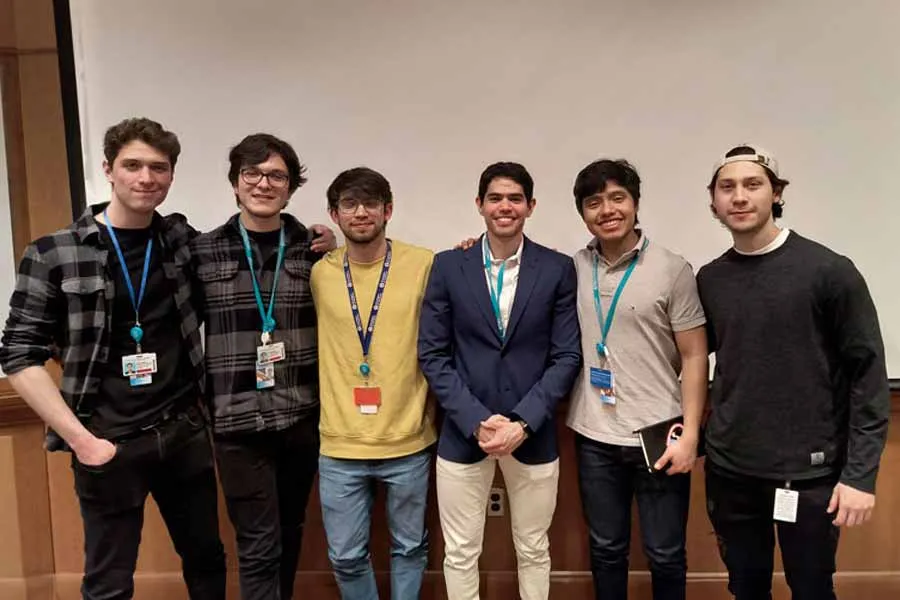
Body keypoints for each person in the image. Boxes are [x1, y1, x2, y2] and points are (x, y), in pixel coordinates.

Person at [0, 117, 226, 600]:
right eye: (133, 165)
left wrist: (314, 234)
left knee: (207, 561)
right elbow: (18, 354)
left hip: (182, 433)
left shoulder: (180, 241)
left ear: (171, 175)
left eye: (158, 168)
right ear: (108, 169)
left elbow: (243, 247)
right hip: (107, 442)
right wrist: (81, 441)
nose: (146, 178)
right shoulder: (54, 253)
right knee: (109, 582)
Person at [697, 145, 890, 600]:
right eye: (727, 187)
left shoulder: (829, 272)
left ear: (777, 193)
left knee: (811, 589)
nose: (739, 197)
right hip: (731, 471)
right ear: (714, 201)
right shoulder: (710, 279)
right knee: (746, 588)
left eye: (752, 185)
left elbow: (868, 377)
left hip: (809, 476)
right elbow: (696, 359)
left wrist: (859, 476)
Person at [418, 161, 582, 600]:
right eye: (495, 198)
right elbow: (433, 354)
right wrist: (476, 420)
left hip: (533, 432)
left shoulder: (557, 268)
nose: (504, 206)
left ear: (530, 206)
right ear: (479, 204)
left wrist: (522, 422)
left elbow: (566, 355)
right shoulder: (449, 266)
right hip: (463, 432)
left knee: (534, 548)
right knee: (460, 552)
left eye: (514, 198)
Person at [191, 133, 334, 600]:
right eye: (252, 173)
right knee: (258, 544)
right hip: (235, 421)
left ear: (290, 188)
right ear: (235, 182)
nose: (264, 184)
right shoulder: (203, 250)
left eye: (277, 176)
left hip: (300, 416)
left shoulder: (314, 250)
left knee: (290, 531)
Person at [565, 159, 708, 600]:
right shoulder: (573, 268)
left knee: (665, 553)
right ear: (583, 212)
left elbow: (695, 354)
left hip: (660, 433)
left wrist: (691, 434)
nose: (607, 210)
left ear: (635, 203)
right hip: (594, 434)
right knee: (606, 549)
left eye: (617, 198)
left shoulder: (672, 268)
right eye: (594, 202)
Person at [310, 166, 436, 599]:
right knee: (345, 556)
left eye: (371, 203)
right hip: (339, 444)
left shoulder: (424, 264)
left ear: (388, 210)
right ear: (334, 214)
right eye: (349, 204)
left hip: (408, 441)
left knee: (410, 548)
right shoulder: (318, 272)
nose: (361, 212)